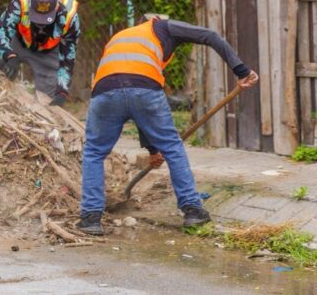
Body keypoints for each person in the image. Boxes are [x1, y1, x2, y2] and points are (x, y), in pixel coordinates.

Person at [78, 15, 259, 235]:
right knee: (172, 146)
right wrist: (241, 71)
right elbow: (210, 35)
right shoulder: (162, 25)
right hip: (145, 88)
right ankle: (192, 210)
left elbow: (127, 94)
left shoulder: (121, 36)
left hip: (105, 91)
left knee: (94, 152)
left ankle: (90, 218)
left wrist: (153, 149)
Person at [0, 0, 80, 105]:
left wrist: (62, 90)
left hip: (48, 52)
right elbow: (0, 33)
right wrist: (8, 55)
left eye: (45, 19)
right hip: (18, 41)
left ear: (56, 11)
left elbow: (68, 56)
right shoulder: (20, 3)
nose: (41, 24)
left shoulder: (70, 17)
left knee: (48, 103)